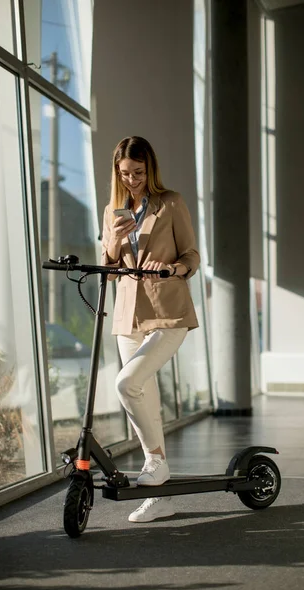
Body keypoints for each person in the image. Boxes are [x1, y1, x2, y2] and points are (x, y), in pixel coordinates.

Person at [101, 136, 200, 523]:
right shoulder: (113, 210)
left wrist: (174, 268)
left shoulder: (171, 202)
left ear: (150, 169)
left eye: (138, 173)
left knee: (127, 384)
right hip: (128, 315)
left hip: (168, 311)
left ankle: (155, 464)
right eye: (125, 174)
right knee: (144, 397)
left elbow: (191, 253)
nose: (132, 180)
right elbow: (107, 266)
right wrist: (115, 237)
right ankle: (159, 495)